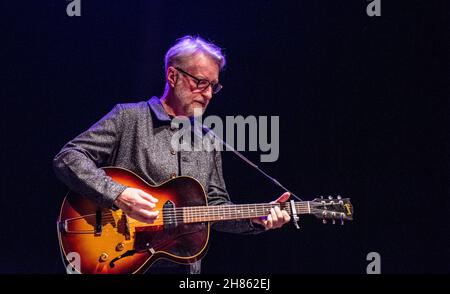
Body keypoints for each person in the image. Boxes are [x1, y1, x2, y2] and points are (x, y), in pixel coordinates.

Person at [53, 35, 291, 274]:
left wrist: (255, 219)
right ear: (172, 76)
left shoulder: (207, 140)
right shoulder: (129, 117)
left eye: (214, 86)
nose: (208, 94)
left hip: (184, 268)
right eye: (200, 82)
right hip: (123, 258)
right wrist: (118, 194)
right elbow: (69, 157)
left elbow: (216, 207)